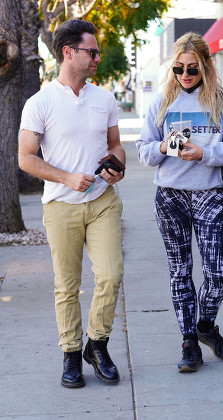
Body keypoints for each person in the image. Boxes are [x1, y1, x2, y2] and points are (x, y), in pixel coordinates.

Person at [18, 19, 126, 388]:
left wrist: (117, 166)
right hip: (61, 206)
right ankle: (70, 355)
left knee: (110, 274)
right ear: (69, 52)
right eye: (91, 52)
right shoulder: (40, 102)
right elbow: (26, 158)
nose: (97, 57)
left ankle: (97, 345)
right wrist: (66, 177)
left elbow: (115, 145)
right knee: (67, 286)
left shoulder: (104, 98)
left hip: (102, 201)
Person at [136, 32, 223, 372]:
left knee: (217, 275)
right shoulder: (160, 102)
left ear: (205, 66)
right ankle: (189, 343)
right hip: (170, 196)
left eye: (192, 69)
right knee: (180, 273)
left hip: (209, 193)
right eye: (178, 69)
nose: (185, 76)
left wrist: (204, 153)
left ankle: (205, 327)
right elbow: (143, 151)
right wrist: (161, 146)